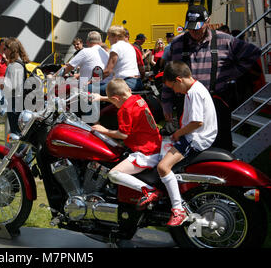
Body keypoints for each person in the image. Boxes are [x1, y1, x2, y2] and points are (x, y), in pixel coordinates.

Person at [161, 4, 262, 151]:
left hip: (216, 101)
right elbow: (169, 75)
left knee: (221, 143)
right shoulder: (177, 44)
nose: (194, 32)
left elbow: (253, 53)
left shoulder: (225, 40)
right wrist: (166, 104)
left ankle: (221, 171)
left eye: (198, 28)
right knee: (190, 143)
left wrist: (231, 73)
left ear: (208, 21)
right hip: (187, 102)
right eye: (190, 28)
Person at [156, 61, 218, 226]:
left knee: (162, 167)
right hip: (193, 135)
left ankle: (178, 209)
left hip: (196, 138)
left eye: (173, 87)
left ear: (179, 80)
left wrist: (178, 133)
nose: (174, 91)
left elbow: (197, 122)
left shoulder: (194, 93)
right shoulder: (196, 89)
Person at [91, 78, 162, 209]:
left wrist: (104, 130)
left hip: (145, 153)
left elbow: (123, 135)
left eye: (113, 101)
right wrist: (101, 98)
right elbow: (120, 97)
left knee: (113, 174)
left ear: (116, 98)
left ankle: (148, 190)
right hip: (155, 145)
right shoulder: (137, 98)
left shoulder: (124, 110)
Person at [2, 37, 30, 136]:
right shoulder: (21, 62)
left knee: (17, 133)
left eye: (5, 49)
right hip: (22, 101)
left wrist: (2, 84)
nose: (3, 51)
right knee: (23, 132)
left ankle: (20, 152)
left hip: (14, 103)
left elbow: (10, 86)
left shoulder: (13, 65)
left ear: (11, 50)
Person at [103, 25, 143, 91]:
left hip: (126, 84)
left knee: (90, 88)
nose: (108, 39)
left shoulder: (116, 46)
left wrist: (93, 80)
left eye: (109, 36)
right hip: (137, 82)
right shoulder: (129, 46)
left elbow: (108, 71)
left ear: (115, 36)